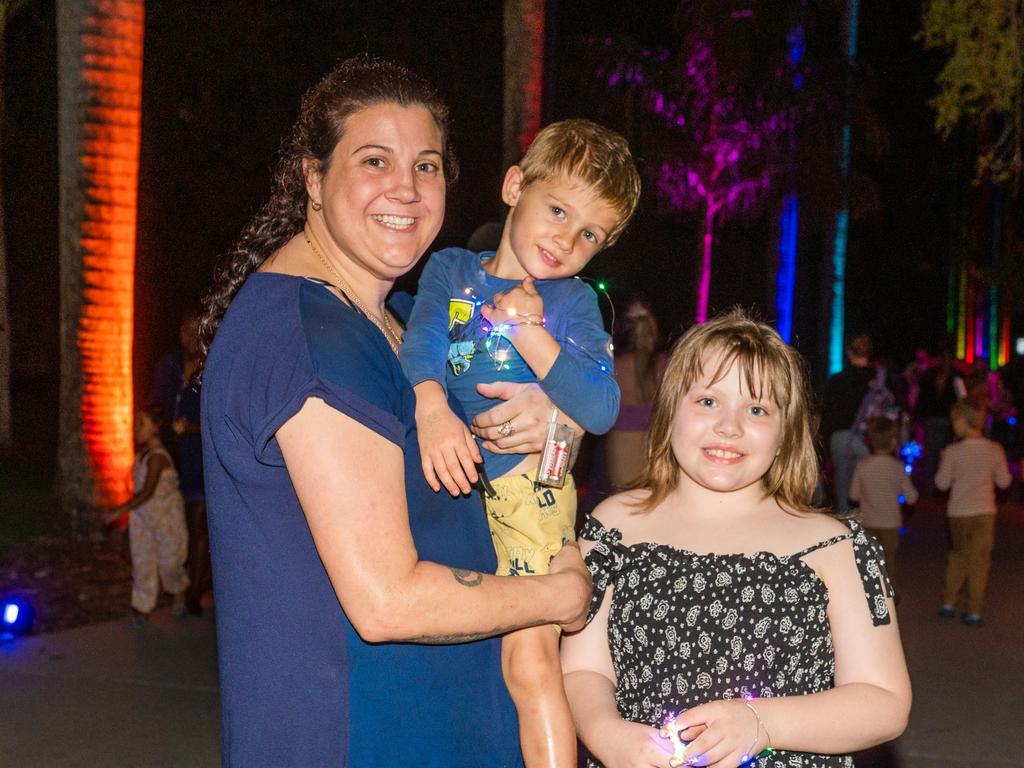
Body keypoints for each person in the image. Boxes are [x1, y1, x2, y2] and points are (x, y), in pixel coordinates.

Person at [197, 57, 591, 767]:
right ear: (313, 178)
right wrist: (554, 596)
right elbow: (387, 601)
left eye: (428, 166)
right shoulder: (313, 340)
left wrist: (551, 424)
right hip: (362, 739)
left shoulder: (398, 322)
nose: (405, 190)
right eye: (374, 161)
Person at [561, 310, 911, 768]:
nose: (730, 425)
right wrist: (608, 735)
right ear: (669, 413)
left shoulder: (837, 546)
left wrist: (761, 723)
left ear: (786, 433)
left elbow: (884, 701)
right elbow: (583, 668)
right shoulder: (615, 526)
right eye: (708, 401)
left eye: (757, 409)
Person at [401, 118, 641, 768]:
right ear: (515, 185)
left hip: (529, 491)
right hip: (458, 496)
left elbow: (599, 404)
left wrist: (531, 331)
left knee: (529, 662)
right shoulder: (451, 270)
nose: (566, 238)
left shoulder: (572, 304)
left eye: (589, 232)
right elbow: (420, 340)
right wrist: (430, 405)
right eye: (558, 209)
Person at [102, 404, 189, 625]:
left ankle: (179, 593)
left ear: (156, 428)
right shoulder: (143, 454)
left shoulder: (158, 457)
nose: (136, 428)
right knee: (143, 562)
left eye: (142, 424)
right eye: (136, 423)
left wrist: (118, 512)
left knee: (170, 561)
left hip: (166, 516)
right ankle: (142, 607)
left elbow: (148, 491)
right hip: (142, 517)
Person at [150, 306, 209, 616]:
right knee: (177, 526)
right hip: (171, 460)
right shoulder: (170, 365)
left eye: (195, 329)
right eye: (186, 329)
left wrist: (192, 428)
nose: (189, 336)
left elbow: (220, 419)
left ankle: (195, 591)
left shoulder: (210, 368)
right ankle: (178, 584)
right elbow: (155, 407)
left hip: (200, 457)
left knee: (199, 523)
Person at [935, 398, 1011, 628]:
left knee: (958, 556)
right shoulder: (995, 449)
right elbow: (1005, 482)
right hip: (985, 512)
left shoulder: (952, 451)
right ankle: (974, 610)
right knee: (980, 561)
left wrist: (943, 461)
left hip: (959, 513)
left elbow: (941, 484)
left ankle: (949, 602)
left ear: (960, 422)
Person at [606, 296, 666, 490]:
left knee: (623, 500)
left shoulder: (614, 368)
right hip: (657, 444)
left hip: (622, 443)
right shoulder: (667, 365)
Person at [849, 417, 919, 582]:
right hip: (891, 524)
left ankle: (871, 594)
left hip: (868, 523)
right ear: (894, 442)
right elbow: (912, 497)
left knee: (869, 562)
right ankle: (889, 596)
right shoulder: (897, 467)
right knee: (889, 563)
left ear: (870, 442)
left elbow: (853, 495)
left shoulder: (862, 466)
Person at [821, 332, 876, 513]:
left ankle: (848, 530)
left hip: (840, 437)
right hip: (869, 438)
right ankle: (870, 528)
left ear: (848, 352)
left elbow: (829, 415)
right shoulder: (877, 380)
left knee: (844, 488)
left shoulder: (838, 381)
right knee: (870, 487)